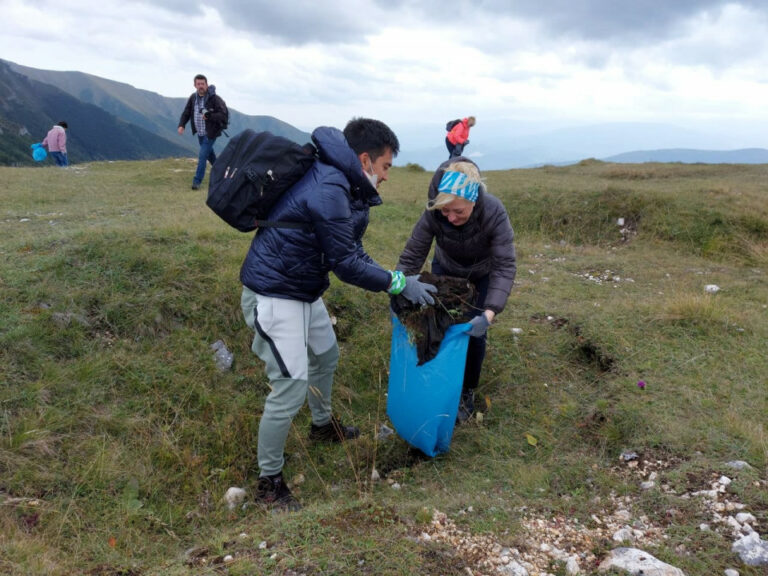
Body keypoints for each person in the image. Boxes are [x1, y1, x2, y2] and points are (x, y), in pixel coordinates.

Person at [239, 117, 437, 510]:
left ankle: (321, 426)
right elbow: (346, 264)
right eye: (385, 167)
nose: (386, 177)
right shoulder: (330, 188)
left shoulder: (344, 184)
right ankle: (269, 482)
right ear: (365, 160)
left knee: (327, 353)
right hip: (275, 293)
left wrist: (394, 278)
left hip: (301, 288)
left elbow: (350, 249)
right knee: (290, 387)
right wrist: (398, 284)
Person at [396, 157, 516, 423]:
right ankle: (437, 378)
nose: (450, 217)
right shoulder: (434, 212)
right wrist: (400, 287)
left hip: (482, 274)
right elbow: (413, 253)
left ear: (474, 201)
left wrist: (490, 312)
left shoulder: (494, 212)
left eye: (458, 211)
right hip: (446, 269)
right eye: (445, 211)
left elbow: (505, 266)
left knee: (473, 333)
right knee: (439, 323)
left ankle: (466, 391)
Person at [177, 74, 228, 190]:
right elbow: (186, 112)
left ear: (207, 85)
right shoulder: (193, 98)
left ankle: (197, 182)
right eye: (198, 84)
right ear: (195, 85)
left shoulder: (215, 99)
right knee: (210, 155)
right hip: (200, 132)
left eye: (202, 84)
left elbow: (223, 115)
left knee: (202, 155)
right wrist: (181, 125)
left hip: (211, 133)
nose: (200, 86)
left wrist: (210, 116)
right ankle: (222, 174)